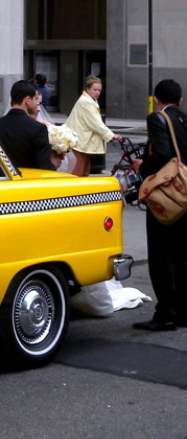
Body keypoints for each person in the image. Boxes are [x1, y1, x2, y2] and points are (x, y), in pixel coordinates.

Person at [131, 79, 187, 331]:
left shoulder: (158, 118)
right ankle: (182, 311)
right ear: (181, 100)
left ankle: (165, 313)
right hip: (185, 195)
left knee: (161, 256)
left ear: (156, 100)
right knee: (182, 256)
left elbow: (163, 153)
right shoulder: (184, 119)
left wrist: (143, 167)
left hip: (167, 198)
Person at [63, 75, 122, 176]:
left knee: (85, 169)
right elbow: (95, 123)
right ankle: (76, 191)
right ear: (87, 89)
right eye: (95, 89)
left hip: (81, 142)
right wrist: (111, 135)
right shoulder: (85, 102)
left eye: (99, 90)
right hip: (79, 142)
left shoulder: (90, 101)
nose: (97, 92)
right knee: (78, 171)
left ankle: (82, 190)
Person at [0, 80, 54, 172]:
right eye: (35, 99)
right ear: (27, 100)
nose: (37, 103)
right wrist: (55, 163)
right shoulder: (38, 129)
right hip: (28, 182)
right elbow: (45, 167)